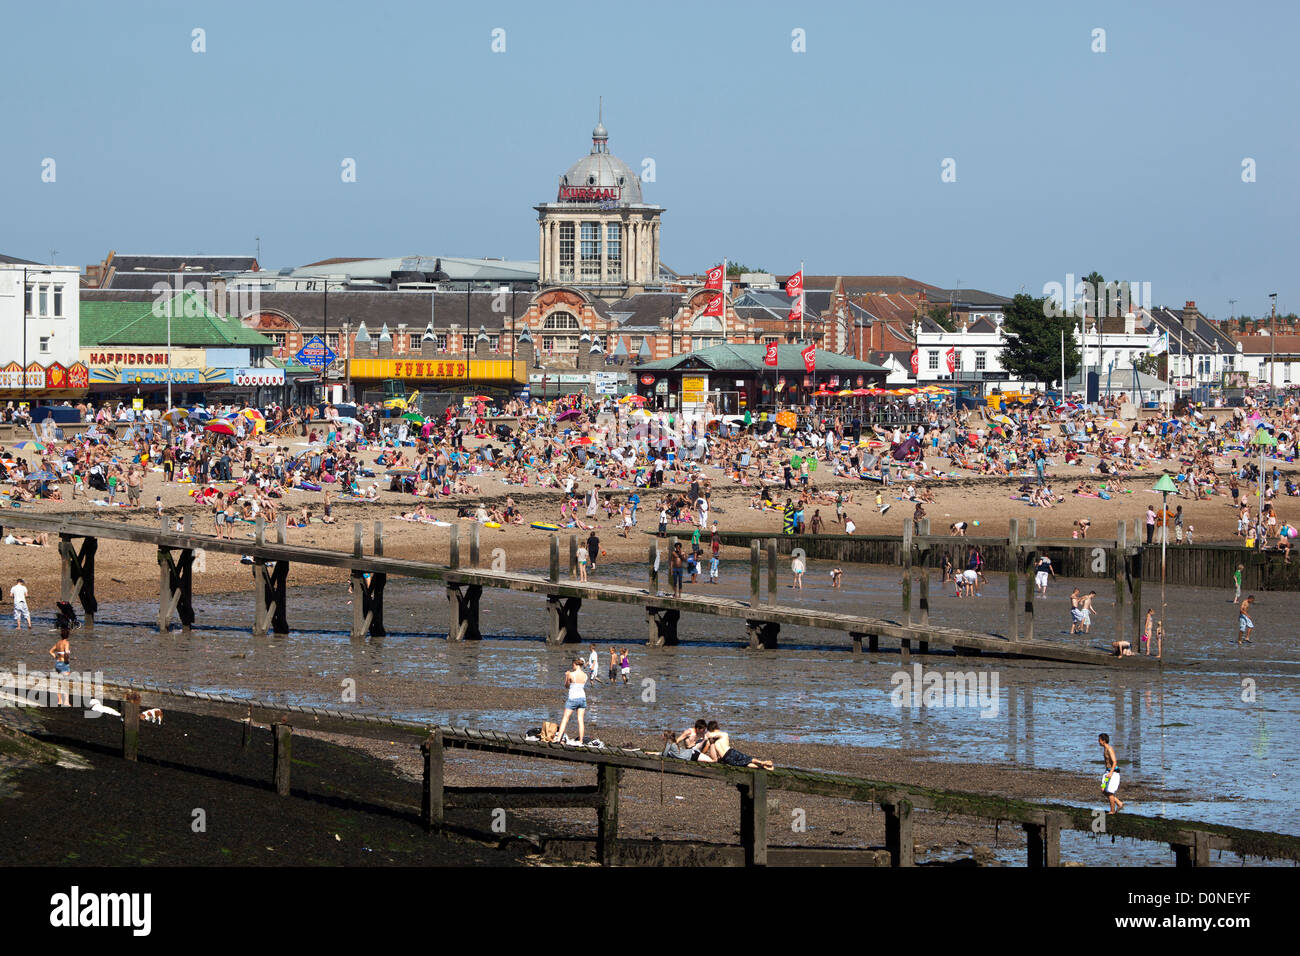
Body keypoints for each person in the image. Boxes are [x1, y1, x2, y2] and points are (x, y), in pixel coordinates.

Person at [700, 722, 774, 770]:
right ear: (717, 728)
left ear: (710, 729)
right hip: (731, 751)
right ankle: (761, 762)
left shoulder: (711, 737)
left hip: (726, 757)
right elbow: (718, 735)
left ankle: (761, 767)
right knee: (748, 759)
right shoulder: (725, 734)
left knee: (744, 764)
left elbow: (708, 739)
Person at [555, 658, 589, 745]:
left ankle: (558, 739)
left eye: (572, 664)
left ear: (575, 664)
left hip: (573, 698)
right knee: (580, 720)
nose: (572, 666)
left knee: (565, 719)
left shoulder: (571, 674)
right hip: (582, 698)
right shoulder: (585, 675)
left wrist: (566, 676)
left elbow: (566, 686)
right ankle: (581, 741)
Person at [1098, 733, 1124, 813]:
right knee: (1103, 789)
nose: (1098, 742)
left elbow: (1115, 762)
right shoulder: (1105, 748)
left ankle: (1112, 811)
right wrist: (1108, 772)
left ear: (1103, 740)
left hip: (1113, 773)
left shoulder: (1109, 749)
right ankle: (1119, 803)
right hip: (1107, 772)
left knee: (1109, 792)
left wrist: (1111, 773)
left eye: (1099, 740)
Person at [49, 627, 72, 706]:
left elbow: (51, 651)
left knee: (58, 683)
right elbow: (66, 652)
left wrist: (56, 657)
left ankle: (59, 701)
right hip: (64, 664)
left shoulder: (58, 643)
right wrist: (66, 659)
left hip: (58, 663)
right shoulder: (67, 643)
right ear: (68, 635)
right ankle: (66, 702)